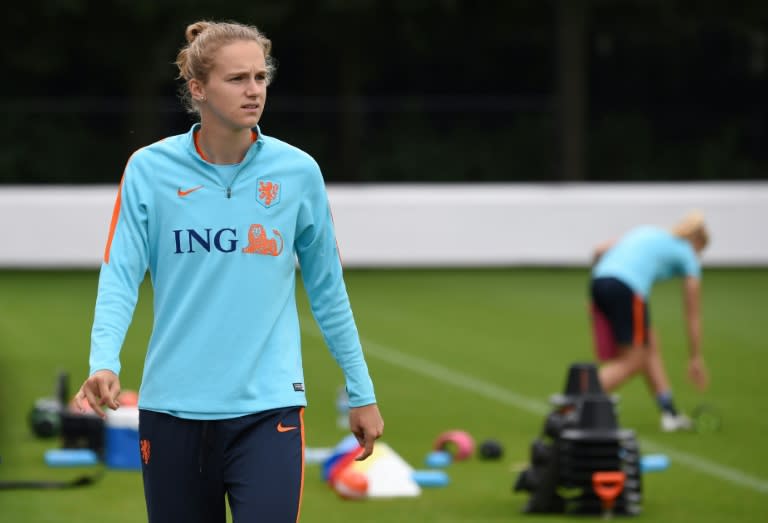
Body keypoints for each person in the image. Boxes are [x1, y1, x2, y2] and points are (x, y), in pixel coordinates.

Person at [74, 20, 384, 522]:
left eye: (261, 77)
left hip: (269, 410)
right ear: (198, 89)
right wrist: (103, 360)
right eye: (238, 79)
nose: (254, 91)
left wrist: (362, 394)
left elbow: (329, 291)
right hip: (171, 410)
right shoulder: (148, 170)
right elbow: (120, 273)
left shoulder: (298, 172)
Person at [588, 210, 710, 432]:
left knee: (650, 344)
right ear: (698, 243)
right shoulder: (687, 253)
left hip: (600, 281)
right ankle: (579, 400)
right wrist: (695, 356)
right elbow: (692, 313)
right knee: (633, 360)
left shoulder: (650, 232)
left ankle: (669, 412)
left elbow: (599, 250)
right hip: (627, 289)